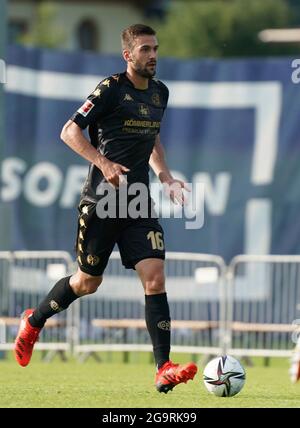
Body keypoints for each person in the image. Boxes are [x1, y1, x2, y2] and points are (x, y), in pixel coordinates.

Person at [13, 24, 197, 393]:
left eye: (155, 48)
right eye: (145, 49)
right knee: (87, 282)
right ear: (128, 56)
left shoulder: (160, 93)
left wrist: (166, 178)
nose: (153, 55)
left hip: (138, 202)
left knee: (155, 277)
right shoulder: (111, 89)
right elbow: (69, 131)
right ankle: (34, 320)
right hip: (102, 201)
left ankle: (163, 367)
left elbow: (152, 135)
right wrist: (104, 163)